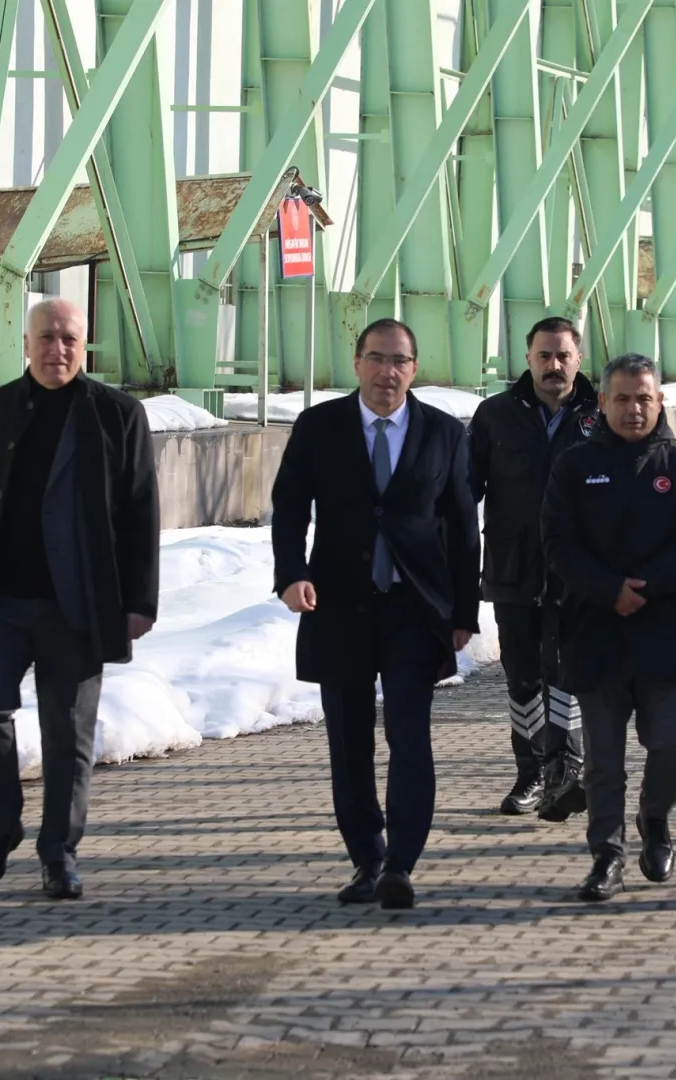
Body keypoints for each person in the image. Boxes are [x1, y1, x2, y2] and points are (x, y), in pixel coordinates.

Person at [0, 297, 160, 900]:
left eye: (69, 339)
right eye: (47, 337)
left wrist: (139, 601)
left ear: (84, 346)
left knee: (68, 733)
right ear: (26, 343)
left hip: (79, 606)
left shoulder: (117, 414)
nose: (57, 350)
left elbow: (141, 511)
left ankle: (58, 853)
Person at [271, 318, 480, 911]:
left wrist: (464, 612)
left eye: (400, 361)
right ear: (357, 362)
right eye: (378, 358)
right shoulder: (320, 427)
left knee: (409, 738)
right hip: (340, 607)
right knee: (349, 743)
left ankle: (401, 863)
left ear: (414, 369)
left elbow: (463, 527)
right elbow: (290, 506)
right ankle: (367, 857)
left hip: (414, 611)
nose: (389, 372)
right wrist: (291, 574)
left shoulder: (443, 432)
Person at [542, 353, 676, 902]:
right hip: (595, 630)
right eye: (622, 398)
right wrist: (608, 589)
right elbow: (558, 542)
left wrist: (646, 586)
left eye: (644, 398)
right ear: (602, 402)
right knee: (603, 760)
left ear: (660, 401)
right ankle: (607, 855)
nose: (633, 408)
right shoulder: (575, 465)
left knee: (672, 742)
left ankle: (655, 819)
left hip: (667, 630)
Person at [468, 316, 602, 820]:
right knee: (522, 679)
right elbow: (464, 491)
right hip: (513, 570)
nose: (554, 365)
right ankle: (531, 773)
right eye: (544, 355)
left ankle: (567, 769)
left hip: (578, 572)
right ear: (527, 358)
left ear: (579, 358)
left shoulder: (601, 413)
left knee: (566, 672)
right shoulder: (495, 415)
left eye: (563, 355)